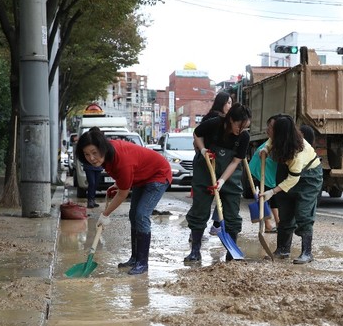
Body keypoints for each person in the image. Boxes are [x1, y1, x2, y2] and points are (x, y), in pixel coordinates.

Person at [75, 127, 172, 275]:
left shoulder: (122, 160)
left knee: (141, 215)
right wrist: (118, 183)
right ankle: (134, 258)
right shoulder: (108, 154)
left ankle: (142, 263)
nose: (91, 158)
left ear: (102, 148)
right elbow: (126, 175)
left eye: (94, 152)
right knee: (133, 215)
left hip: (158, 175)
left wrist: (105, 215)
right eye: (87, 154)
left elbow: (122, 194)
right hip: (142, 177)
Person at [185, 103, 252, 264]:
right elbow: (197, 133)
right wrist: (202, 150)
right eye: (239, 126)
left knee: (232, 214)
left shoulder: (244, 137)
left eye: (245, 127)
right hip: (206, 170)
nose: (241, 130)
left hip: (230, 175)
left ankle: (231, 252)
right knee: (199, 210)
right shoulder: (214, 124)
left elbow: (236, 161)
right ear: (230, 120)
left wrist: (222, 180)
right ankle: (195, 251)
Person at [259, 114, 323, 264]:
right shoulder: (282, 138)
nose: (269, 131)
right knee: (285, 211)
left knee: (303, 213)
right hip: (287, 171)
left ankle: (307, 252)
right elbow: (272, 140)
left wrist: (272, 191)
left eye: (272, 129)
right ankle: (283, 249)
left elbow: (293, 178)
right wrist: (266, 149)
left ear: (281, 134)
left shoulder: (296, 152)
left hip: (308, 177)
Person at [202, 91, 233, 235]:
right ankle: (214, 224)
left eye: (231, 103)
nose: (229, 106)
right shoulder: (217, 120)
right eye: (228, 103)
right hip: (214, 159)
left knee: (208, 196)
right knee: (222, 193)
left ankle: (209, 226)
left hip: (209, 158)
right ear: (221, 103)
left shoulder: (209, 117)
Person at [249, 117, 281, 233]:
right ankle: (272, 224)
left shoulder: (278, 141)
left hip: (268, 170)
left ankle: (275, 223)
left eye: (270, 127)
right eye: (268, 126)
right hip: (262, 170)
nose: (267, 129)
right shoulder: (271, 142)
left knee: (271, 195)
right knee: (267, 195)